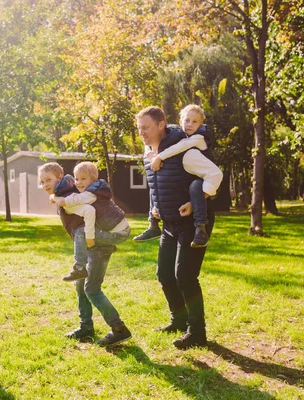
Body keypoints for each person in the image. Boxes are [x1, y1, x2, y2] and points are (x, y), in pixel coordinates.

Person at [137, 106, 222, 349]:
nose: (141, 132)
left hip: (192, 224)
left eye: (146, 127)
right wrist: (155, 208)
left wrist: (196, 203)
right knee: (164, 275)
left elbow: (215, 175)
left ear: (161, 124)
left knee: (185, 277)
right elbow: (156, 186)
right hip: (169, 224)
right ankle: (179, 319)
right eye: (139, 128)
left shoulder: (186, 152)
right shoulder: (149, 154)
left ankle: (197, 332)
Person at [39, 162, 132, 347]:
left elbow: (89, 209)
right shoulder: (64, 192)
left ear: (60, 177)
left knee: (92, 289)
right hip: (92, 245)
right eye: (41, 182)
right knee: (81, 286)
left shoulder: (68, 193)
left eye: (48, 180)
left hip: (98, 247)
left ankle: (119, 329)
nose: (45, 185)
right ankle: (86, 327)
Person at [133, 104, 214, 247]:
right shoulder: (170, 139)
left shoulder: (196, 139)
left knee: (196, 186)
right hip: (169, 223)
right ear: (180, 120)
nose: (189, 124)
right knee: (156, 180)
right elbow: (149, 144)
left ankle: (200, 228)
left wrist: (158, 157)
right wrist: (151, 153)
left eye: (195, 122)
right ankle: (153, 224)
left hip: (196, 193)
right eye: (186, 120)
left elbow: (180, 147)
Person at [50, 161, 130, 282]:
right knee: (88, 230)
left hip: (118, 233)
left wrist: (54, 197)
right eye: (76, 179)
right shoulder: (97, 189)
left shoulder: (90, 195)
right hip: (119, 229)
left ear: (93, 179)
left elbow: (70, 201)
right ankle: (107, 244)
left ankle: (79, 268)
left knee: (81, 233)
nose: (78, 182)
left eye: (83, 179)